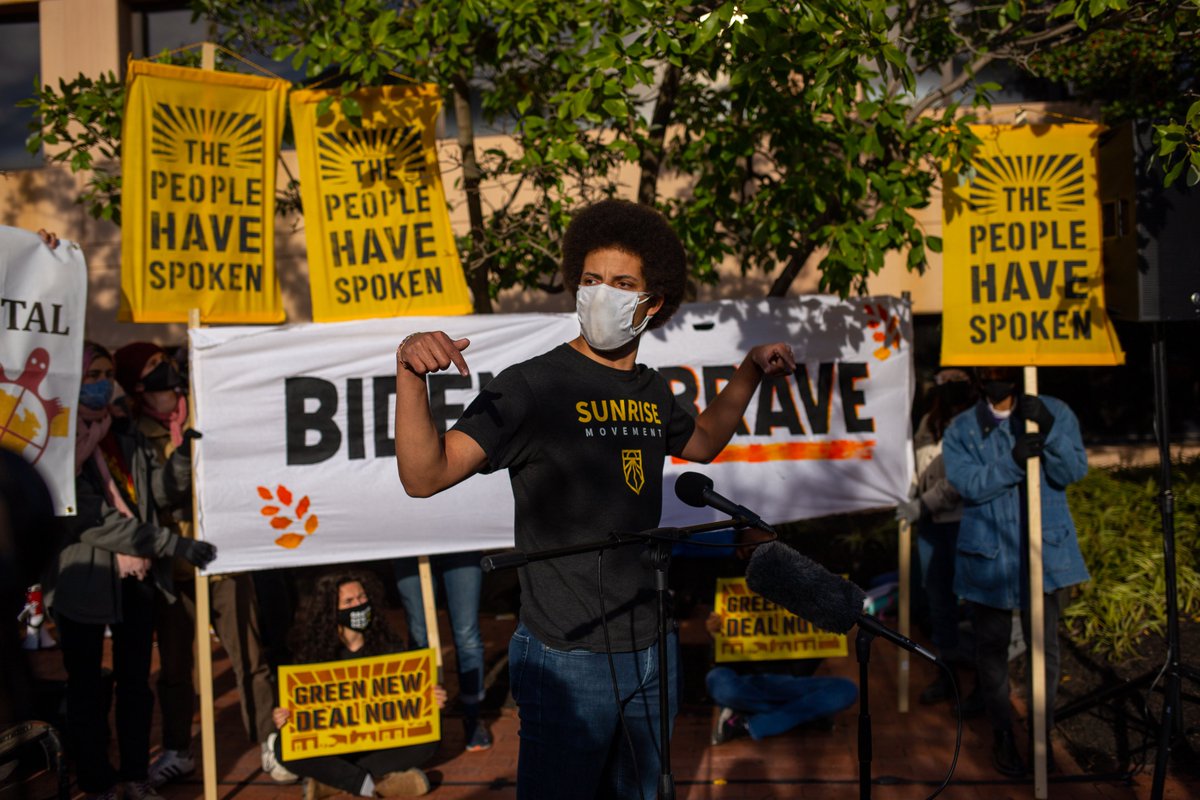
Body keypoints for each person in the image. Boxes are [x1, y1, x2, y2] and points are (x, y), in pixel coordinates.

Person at [393, 199, 796, 799]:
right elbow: (424, 475)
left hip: (652, 646)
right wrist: (409, 372)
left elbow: (705, 442)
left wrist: (750, 370)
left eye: (622, 283)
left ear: (652, 303)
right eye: (590, 280)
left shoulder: (652, 389)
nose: (601, 294)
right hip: (566, 654)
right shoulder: (530, 385)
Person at [112, 341, 293, 786]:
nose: (165, 371)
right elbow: (157, 496)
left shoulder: (209, 408)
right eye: (153, 366)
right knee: (175, 668)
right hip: (174, 572)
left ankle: (270, 741)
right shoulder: (134, 432)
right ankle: (178, 748)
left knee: (248, 656)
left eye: (165, 362)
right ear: (137, 382)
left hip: (226, 562)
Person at [46, 342, 216, 800]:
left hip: (138, 582)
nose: (101, 383)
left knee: (136, 687)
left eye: (105, 373)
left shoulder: (121, 432)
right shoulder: (54, 441)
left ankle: (135, 775)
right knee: (86, 689)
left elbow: (155, 496)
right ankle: (98, 781)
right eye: (90, 375)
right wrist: (172, 544)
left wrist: (183, 455)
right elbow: (92, 519)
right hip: (82, 583)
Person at [942, 366, 1089, 778]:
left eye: (1003, 369)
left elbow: (1073, 471)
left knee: (1045, 648)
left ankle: (1042, 735)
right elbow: (969, 485)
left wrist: (1049, 428)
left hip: (1045, 554)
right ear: (976, 375)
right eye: (987, 371)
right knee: (991, 649)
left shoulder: (1053, 409)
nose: (996, 376)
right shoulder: (961, 429)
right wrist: (1011, 463)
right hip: (989, 559)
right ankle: (1003, 731)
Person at [271, 570, 443, 798]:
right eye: (349, 601)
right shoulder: (314, 653)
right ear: (332, 610)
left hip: (379, 743)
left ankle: (334, 783)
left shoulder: (387, 645)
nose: (359, 605)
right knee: (284, 748)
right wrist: (283, 715)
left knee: (430, 736)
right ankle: (374, 784)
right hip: (333, 746)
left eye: (362, 598)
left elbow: (409, 697)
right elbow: (297, 704)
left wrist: (430, 700)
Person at [704, 531, 858, 744]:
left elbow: (820, 646)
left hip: (793, 683)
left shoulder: (802, 586)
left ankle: (750, 723)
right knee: (717, 682)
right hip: (750, 682)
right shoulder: (731, 592)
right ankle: (805, 713)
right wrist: (714, 635)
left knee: (845, 690)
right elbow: (720, 658)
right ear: (740, 553)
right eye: (753, 549)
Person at [895, 367, 977, 705]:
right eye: (944, 380)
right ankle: (948, 676)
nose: (949, 387)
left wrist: (922, 505)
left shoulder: (976, 422)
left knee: (972, 604)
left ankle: (983, 685)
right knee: (937, 599)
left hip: (964, 522)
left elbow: (960, 479)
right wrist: (907, 495)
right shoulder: (930, 420)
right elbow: (916, 465)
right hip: (931, 525)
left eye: (958, 381)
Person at [392, 552, 491, 751]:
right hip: (408, 543)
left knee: (467, 636)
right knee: (418, 637)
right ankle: (425, 720)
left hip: (459, 541)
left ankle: (473, 717)